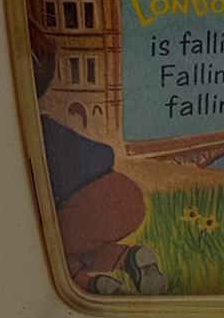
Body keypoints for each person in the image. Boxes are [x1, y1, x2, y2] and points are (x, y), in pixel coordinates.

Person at [28, 21, 165, 295]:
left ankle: (92, 285)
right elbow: (102, 154)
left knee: (45, 245)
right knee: (76, 243)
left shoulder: (29, 134)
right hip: (124, 192)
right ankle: (130, 258)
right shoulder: (51, 127)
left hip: (88, 207)